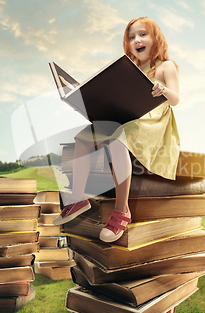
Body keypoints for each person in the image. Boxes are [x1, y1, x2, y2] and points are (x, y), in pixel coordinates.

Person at [53, 16, 180, 243]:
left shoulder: (165, 67)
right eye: (131, 37)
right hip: (126, 114)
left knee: (117, 138)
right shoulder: (131, 68)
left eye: (142, 34)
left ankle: (122, 210)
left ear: (155, 38)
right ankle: (78, 199)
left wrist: (163, 89)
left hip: (151, 119)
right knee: (83, 137)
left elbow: (176, 99)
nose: (136, 40)